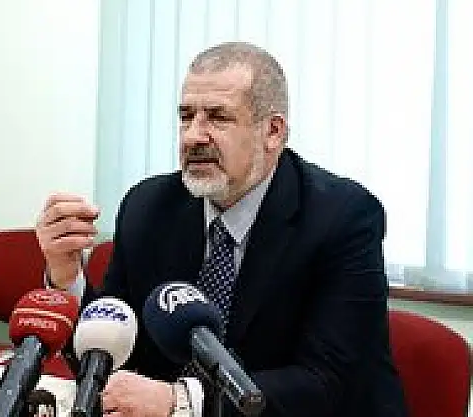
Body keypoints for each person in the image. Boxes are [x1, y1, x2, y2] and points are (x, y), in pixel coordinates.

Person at [35, 41, 408, 417]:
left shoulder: (343, 217)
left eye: (217, 118)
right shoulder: (149, 208)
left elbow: (327, 383)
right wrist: (67, 277)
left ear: (273, 132)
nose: (193, 136)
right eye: (186, 116)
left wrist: (181, 401)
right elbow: (112, 349)